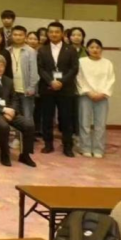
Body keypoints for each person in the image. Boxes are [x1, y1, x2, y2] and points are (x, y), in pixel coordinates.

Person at [0, 55, 38, 167]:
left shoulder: (9, 81)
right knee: (3, 126)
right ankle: (5, 155)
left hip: (10, 112)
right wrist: (3, 110)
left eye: (1, 66)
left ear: (4, 67)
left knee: (29, 125)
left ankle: (25, 155)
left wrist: (13, 111)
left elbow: (15, 99)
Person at [37, 22, 79, 156]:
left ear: (62, 33)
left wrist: (61, 81)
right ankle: (48, 144)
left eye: (57, 32)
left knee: (66, 118)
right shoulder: (42, 50)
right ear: (48, 33)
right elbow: (40, 69)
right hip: (47, 88)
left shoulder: (71, 49)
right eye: (51, 32)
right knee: (47, 118)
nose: (54, 34)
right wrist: (51, 81)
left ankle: (67, 146)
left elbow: (74, 68)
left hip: (66, 89)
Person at [76, 39, 114, 158]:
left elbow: (111, 80)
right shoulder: (81, 62)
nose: (95, 50)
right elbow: (79, 78)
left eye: (97, 47)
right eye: (92, 47)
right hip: (86, 95)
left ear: (101, 49)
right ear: (87, 49)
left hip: (102, 96)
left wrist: (103, 93)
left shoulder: (107, 63)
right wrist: (88, 92)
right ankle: (85, 147)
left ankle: (98, 149)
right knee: (84, 123)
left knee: (100, 124)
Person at [8, 25, 39, 125]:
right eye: (15, 35)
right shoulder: (8, 50)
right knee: (13, 116)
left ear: (25, 37)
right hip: (11, 89)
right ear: (11, 36)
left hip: (26, 89)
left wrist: (32, 87)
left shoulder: (30, 51)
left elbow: (34, 71)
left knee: (27, 116)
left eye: (20, 35)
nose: (17, 37)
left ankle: (29, 135)